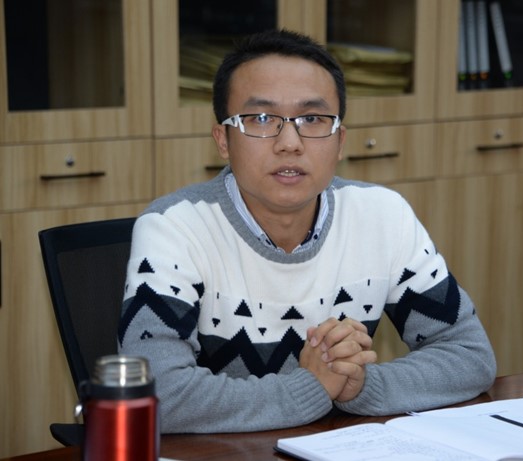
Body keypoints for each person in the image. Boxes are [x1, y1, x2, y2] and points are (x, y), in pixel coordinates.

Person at [118, 29, 496, 433]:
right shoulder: (174, 228)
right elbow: (156, 394)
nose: (289, 143)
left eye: (312, 119)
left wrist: (360, 386)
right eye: (262, 119)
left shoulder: (383, 216)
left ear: (340, 140)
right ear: (223, 140)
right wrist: (311, 389)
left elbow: (469, 355)